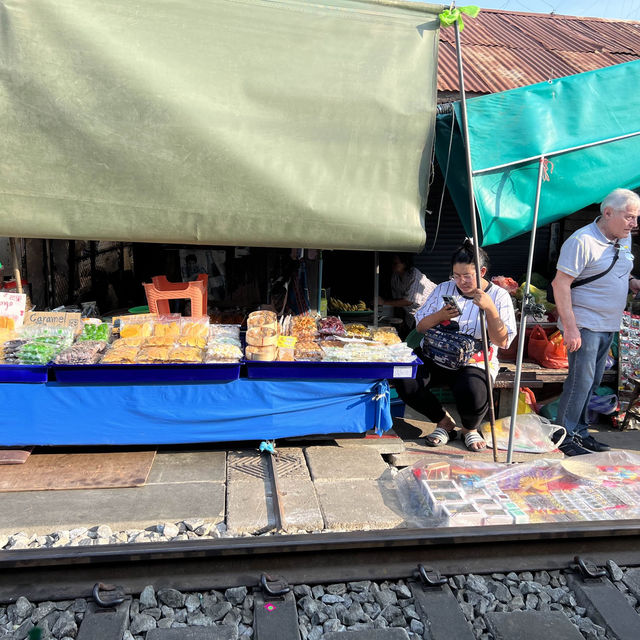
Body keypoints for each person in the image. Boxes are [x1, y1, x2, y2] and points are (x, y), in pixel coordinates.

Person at [396, 240, 516, 451]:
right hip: (436, 355)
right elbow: (421, 326)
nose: (461, 281)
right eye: (456, 275)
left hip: (474, 361)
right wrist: (440, 315)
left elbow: (502, 341)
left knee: (473, 389)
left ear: (482, 271)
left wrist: (490, 310)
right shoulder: (444, 288)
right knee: (404, 377)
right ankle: (443, 422)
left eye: (467, 276)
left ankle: (469, 429)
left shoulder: (498, 296)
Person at [551, 188, 640, 456]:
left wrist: (633, 282)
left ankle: (580, 432)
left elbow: (619, 271)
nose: (634, 224)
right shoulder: (582, 241)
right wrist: (570, 327)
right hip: (585, 325)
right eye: (630, 217)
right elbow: (560, 284)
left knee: (593, 381)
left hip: (609, 325)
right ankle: (563, 436)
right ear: (608, 213)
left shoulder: (622, 239)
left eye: (636, 218)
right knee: (580, 381)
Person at [378, 254, 436, 337]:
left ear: (405, 263)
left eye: (395, 263)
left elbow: (409, 301)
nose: (392, 266)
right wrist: (401, 320)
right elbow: (398, 300)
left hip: (430, 313)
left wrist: (384, 302)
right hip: (413, 316)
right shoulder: (395, 276)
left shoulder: (415, 276)